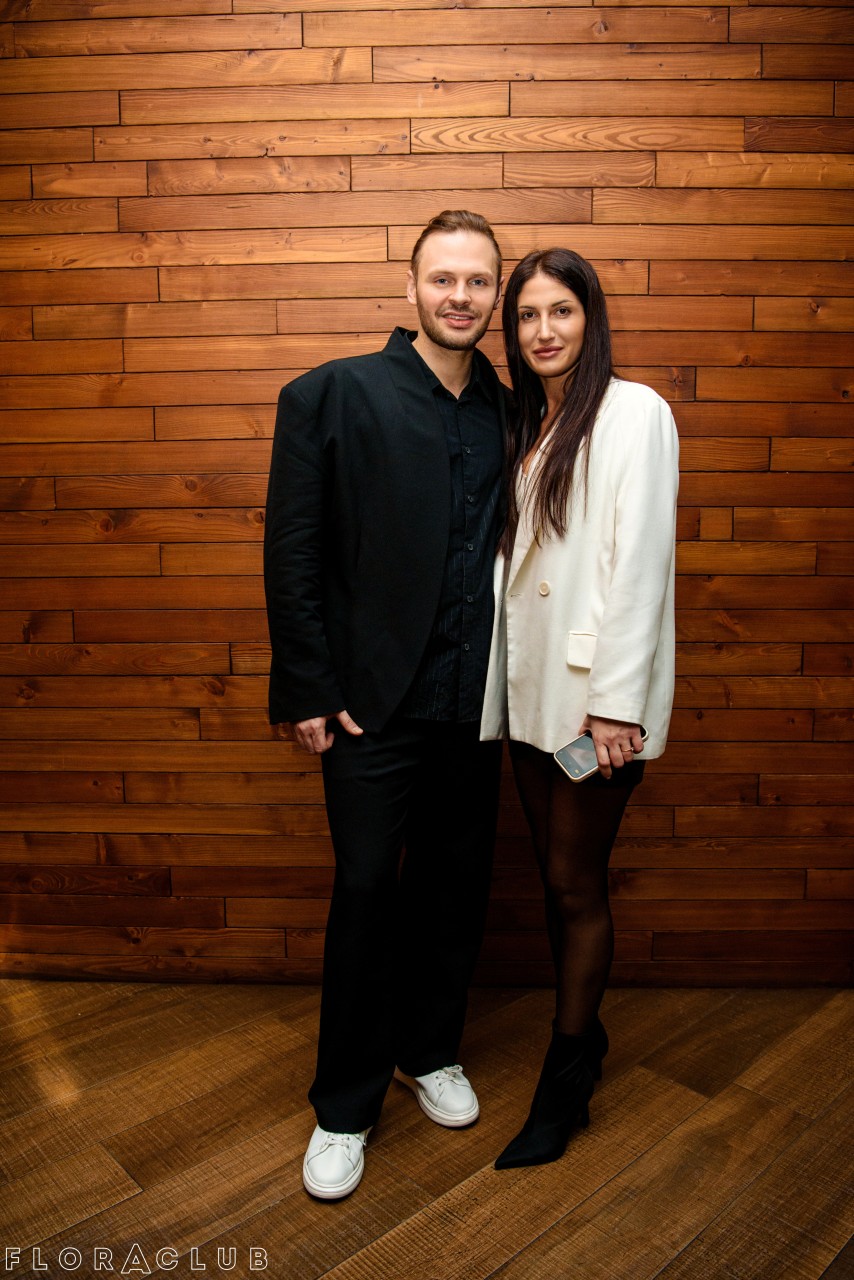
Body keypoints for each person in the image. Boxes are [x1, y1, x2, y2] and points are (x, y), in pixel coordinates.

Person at [264, 211, 508, 1200]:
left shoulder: (510, 411)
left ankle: (429, 1050)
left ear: (494, 297)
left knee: (455, 886)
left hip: (475, 702)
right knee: (368, 890)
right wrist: (309, 688)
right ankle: (344, 1104)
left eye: (478, 281)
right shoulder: (330, 393)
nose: (460, 296)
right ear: (411, 287)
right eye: (443, 278)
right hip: (370, 708)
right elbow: (293, 550)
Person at [480, 248, 679, 1169]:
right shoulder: (533, 421)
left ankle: (566, 1078)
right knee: (557, 883)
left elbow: (640, 566)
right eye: (527, 315)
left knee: (573, 883)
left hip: (594, 707)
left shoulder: (634, 411)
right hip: (532, 695)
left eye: (561, 310)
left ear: (591, 318)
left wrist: (614, 707)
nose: (544, 330)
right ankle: (584, 1034)